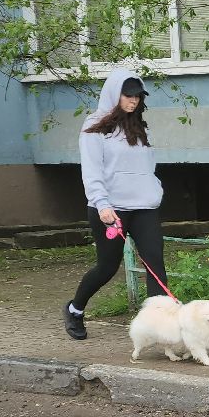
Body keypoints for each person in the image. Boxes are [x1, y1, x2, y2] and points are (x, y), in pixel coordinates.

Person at [63, 68, 167, 340]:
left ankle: (159, 326)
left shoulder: (139, 128)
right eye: (128, 95)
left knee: (155, 263)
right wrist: (102, 204)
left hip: (144, 206)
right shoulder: (95, 127)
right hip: (111, 209)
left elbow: (148, 167)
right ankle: (75, 309)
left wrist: (154, 190)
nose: (133, 101)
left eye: (137, 96)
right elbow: (92, 171)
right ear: (114, 94)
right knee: (107, 267)